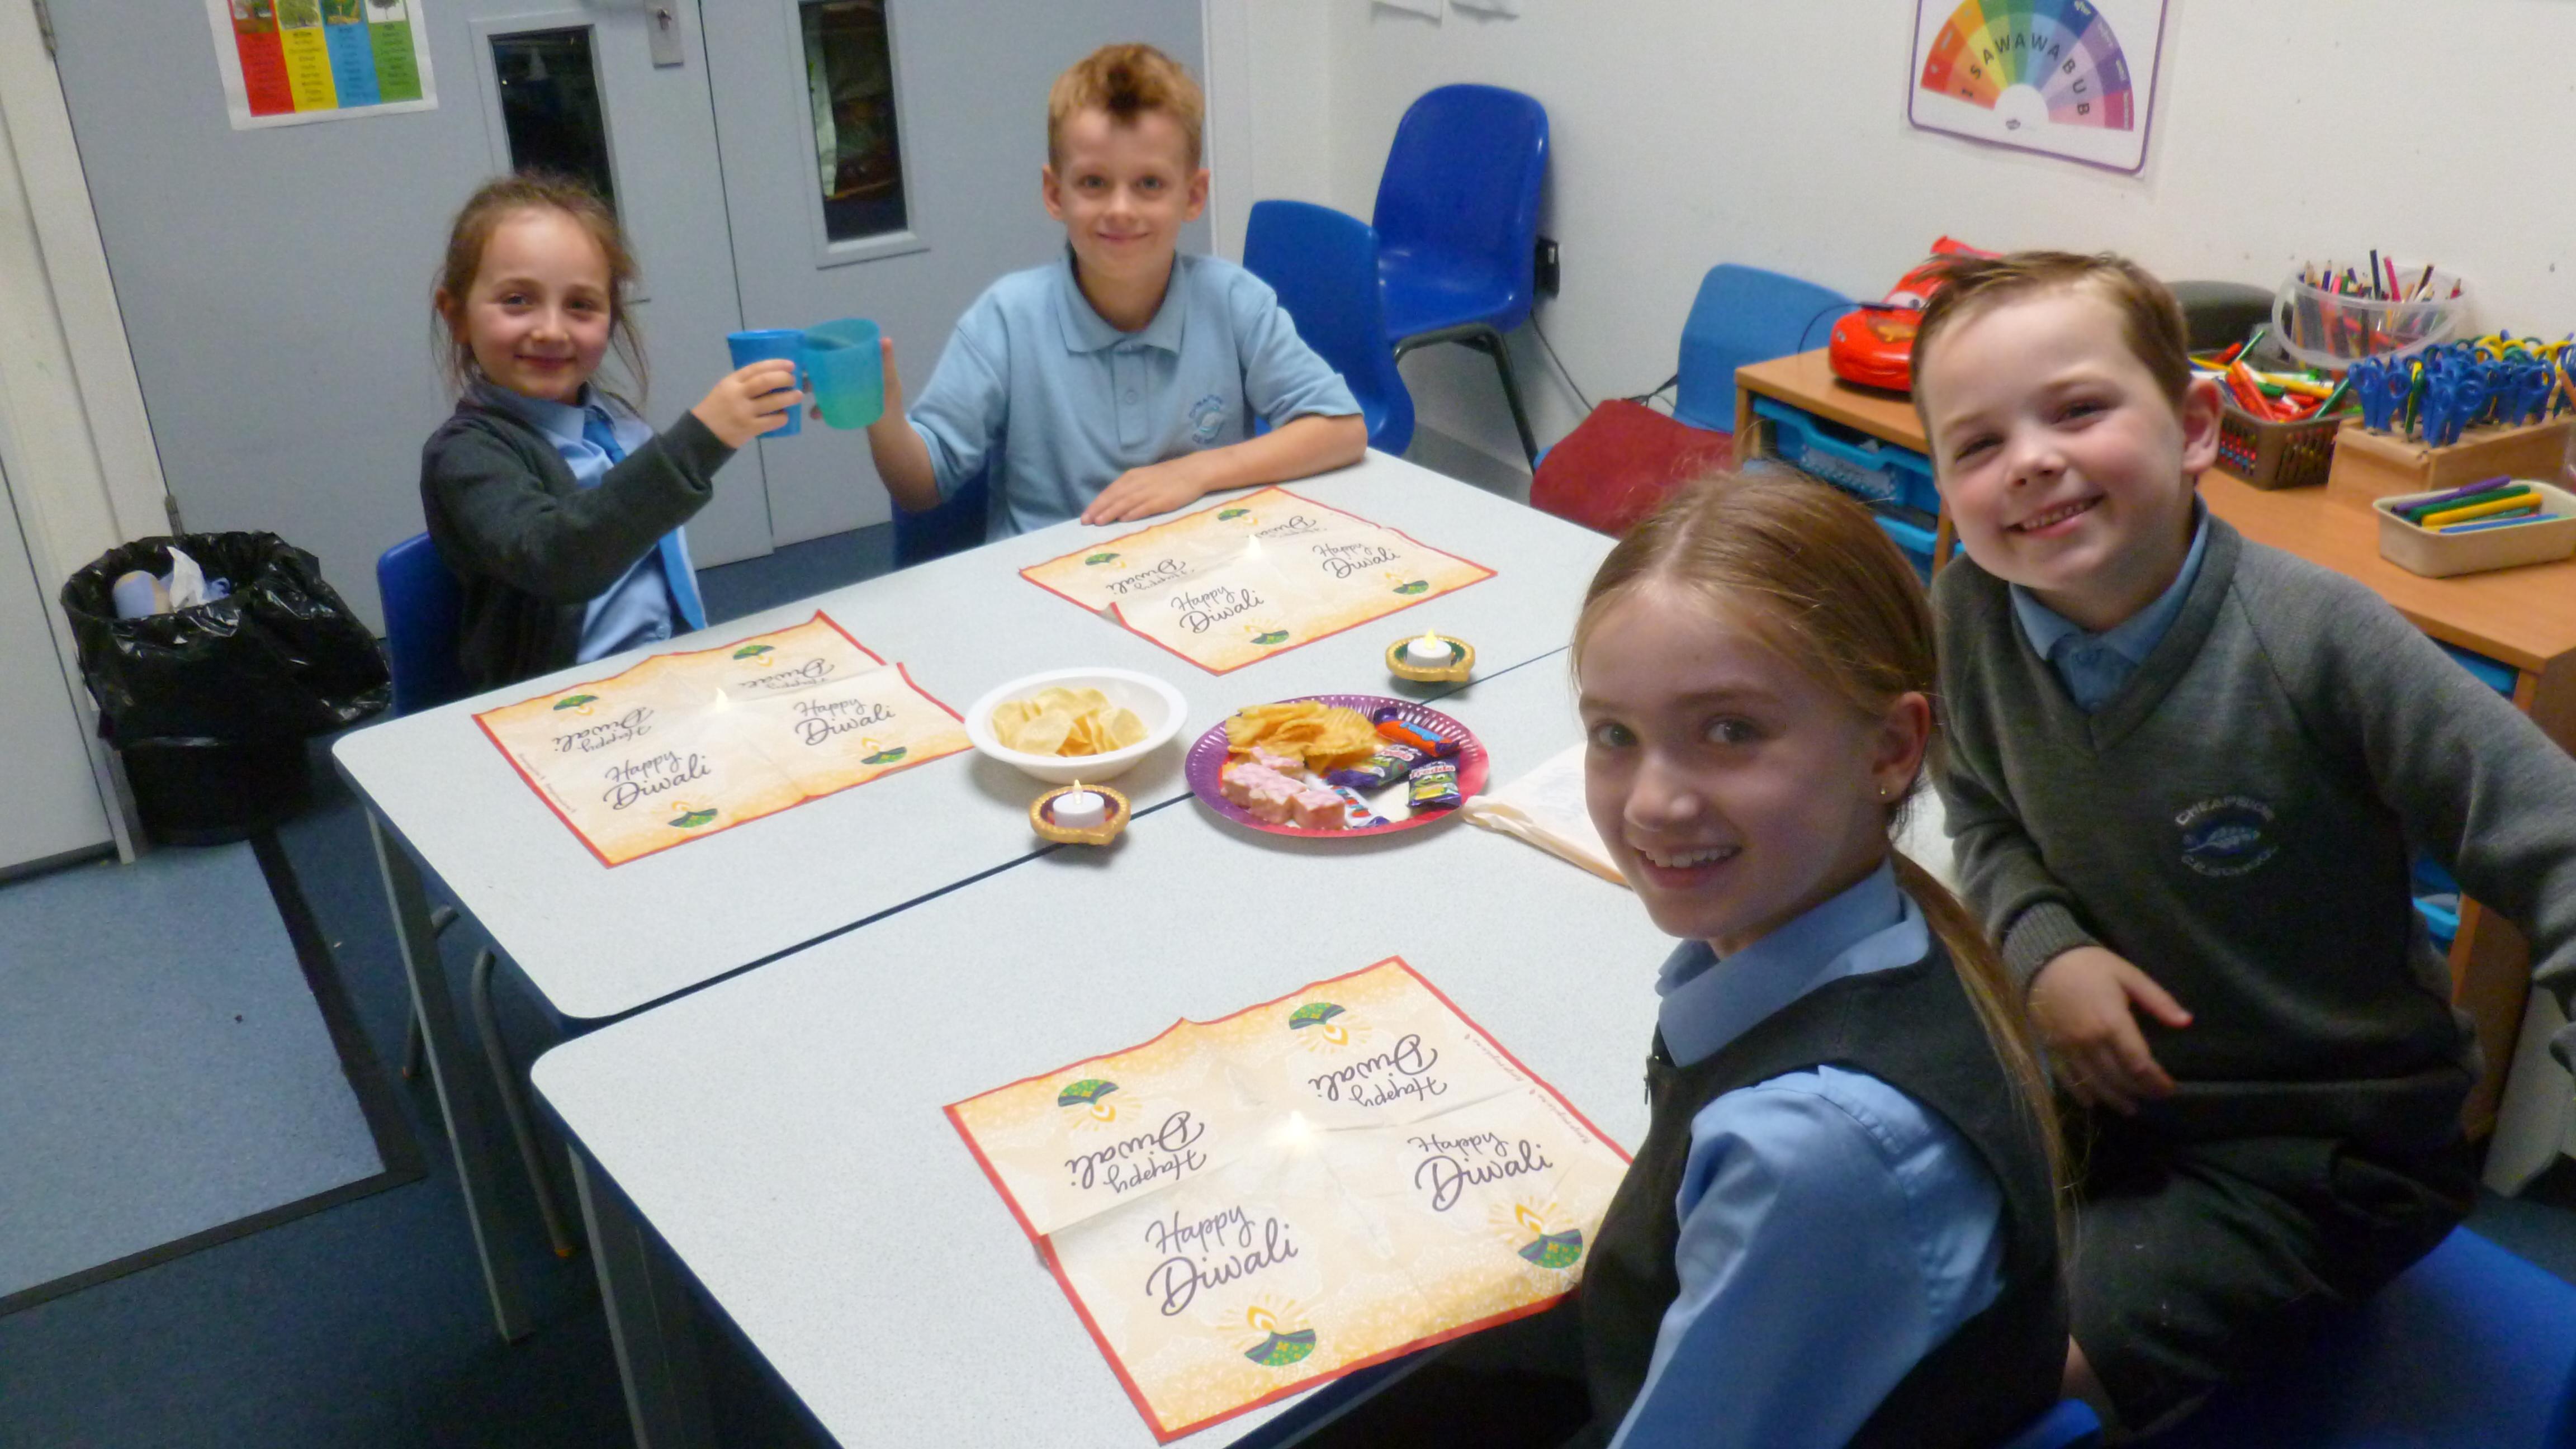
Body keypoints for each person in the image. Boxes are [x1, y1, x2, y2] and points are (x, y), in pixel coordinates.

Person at [1911, 250, 2576, 1434]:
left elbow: (2554, 837)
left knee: (1994, 1380)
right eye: (1977, 444)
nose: (2031, 460)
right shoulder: (1963, 614)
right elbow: (1979, 811)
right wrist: (2044, 947)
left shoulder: (2318, 638)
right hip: (2102, 1094)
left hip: (2324, 1149)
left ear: (2195, 428)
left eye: (2077, 409)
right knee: (1872, 1255)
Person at [1570, 473, 2065, 1449]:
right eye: (1613, 735)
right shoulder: (1869, 933)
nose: (1653, 803)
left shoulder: (1812, 1154)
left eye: (1731, 731)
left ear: (1890, 747)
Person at [861, 42, 1365, 538]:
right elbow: (920, 488)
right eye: (1094, 183)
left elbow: (1343, 429)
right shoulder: (1006, 320)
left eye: (1150, 184)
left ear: (1193, 196)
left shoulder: (1234, 302)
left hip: (1203, 568)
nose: (1121, 209)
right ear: (1055, 194)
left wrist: (1197, 471)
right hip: (1045, 577)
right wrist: (881, 414)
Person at [422, 173, 799, 691]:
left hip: (664, 673)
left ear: (610, 318)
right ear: (457, 316)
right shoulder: (466, 453)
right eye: (517, 300)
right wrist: (703, 438)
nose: (551, 330)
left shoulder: (612, 419)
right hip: (564, 702)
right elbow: (558, 560)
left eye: (580, 305)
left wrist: (778, 396)